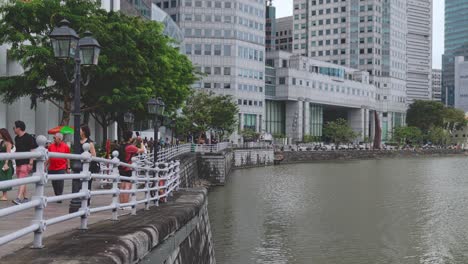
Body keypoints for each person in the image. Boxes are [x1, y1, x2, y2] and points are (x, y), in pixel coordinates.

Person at [12, 120, 38, 205]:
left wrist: (31, 162)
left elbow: (33, 150)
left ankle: (19, 198)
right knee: (22, 180)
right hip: (18, 161)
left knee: (22, 180)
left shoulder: (29, 137)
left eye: (14, 128)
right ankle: (25, 197)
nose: (13, 129)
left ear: (18, 128)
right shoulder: (16, 138)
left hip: (26, 162)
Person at [119, 131, 145, 208]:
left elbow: (131, 147)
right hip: (128, 168)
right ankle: (126, 204)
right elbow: (142, 150)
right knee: (127, 186)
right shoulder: (130, 147)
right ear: (130, 138)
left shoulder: (122, 145)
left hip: (121, 167)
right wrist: (141, 142)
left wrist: (135, 141)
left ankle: (121, 204)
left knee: (122, 186)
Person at [46, 133, 70, 202]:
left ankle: (59, 197)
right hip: (52, 168)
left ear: (59, 139)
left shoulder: (65, 147)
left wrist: (68, 167)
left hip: (61, 167)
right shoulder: (51, 146)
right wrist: (45, 166)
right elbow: (48, 157)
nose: (53, 139)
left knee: (60, 183)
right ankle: (57, 195)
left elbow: (68, 158)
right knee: (54, 183)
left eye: (55, 138)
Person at [79, 125, 97, 204]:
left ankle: (87, 200)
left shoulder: (90, 143)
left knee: (87, 183)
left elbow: (93, 155)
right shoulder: (78, 141)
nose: (79, 131)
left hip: (88, 166)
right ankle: (80, 199)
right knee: (79, 183)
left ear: (84, 132)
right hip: (79, 165)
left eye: (80, 130)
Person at [0, 128, 14, 201]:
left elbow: (8, 153)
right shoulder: (2, 142)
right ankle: (3, 195)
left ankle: (5, 195)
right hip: (0, 161)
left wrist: (6, 163)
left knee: (4, 178)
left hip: (5, 162)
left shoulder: (8, 142)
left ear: (3, 134)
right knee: (1, 178)